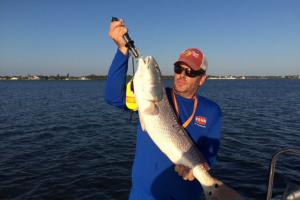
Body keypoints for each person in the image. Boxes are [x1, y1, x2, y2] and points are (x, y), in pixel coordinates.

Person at [105, 19, 222, 200]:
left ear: (202, 79)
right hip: (143, 195)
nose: (182, 75)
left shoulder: (211, 111)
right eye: (178, 68)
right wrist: (122, 50)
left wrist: (197, 171)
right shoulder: (149, 97)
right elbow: (113, 97)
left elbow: (210, 154)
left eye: (190, 72)